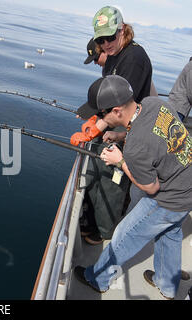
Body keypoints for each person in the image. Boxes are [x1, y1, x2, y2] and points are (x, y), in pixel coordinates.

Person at [74, 75, 192, 300]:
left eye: (101, 114)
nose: (99, 118)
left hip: (170, 198)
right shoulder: (153, 103)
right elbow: (154, 135)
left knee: (124, 234)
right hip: (189, 185)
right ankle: (166, 286)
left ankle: (97, 279)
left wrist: (120, 161)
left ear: (117, 111)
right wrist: (120, 135)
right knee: (171, 233)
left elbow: (150, 187)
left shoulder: (136, 146)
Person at [73, 6, 154, 245]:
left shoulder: (134, 58)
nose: (106, 44)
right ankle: (92, 221)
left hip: (126, 128)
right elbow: (106, 93)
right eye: (101, 39)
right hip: (111, 123)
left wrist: (95, 127)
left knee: (112, 180)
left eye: (110, 37)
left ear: (123, 30)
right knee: (96, 172)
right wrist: (91, 115)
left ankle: (105, 232)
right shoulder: (113, 56)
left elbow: (119, 105)